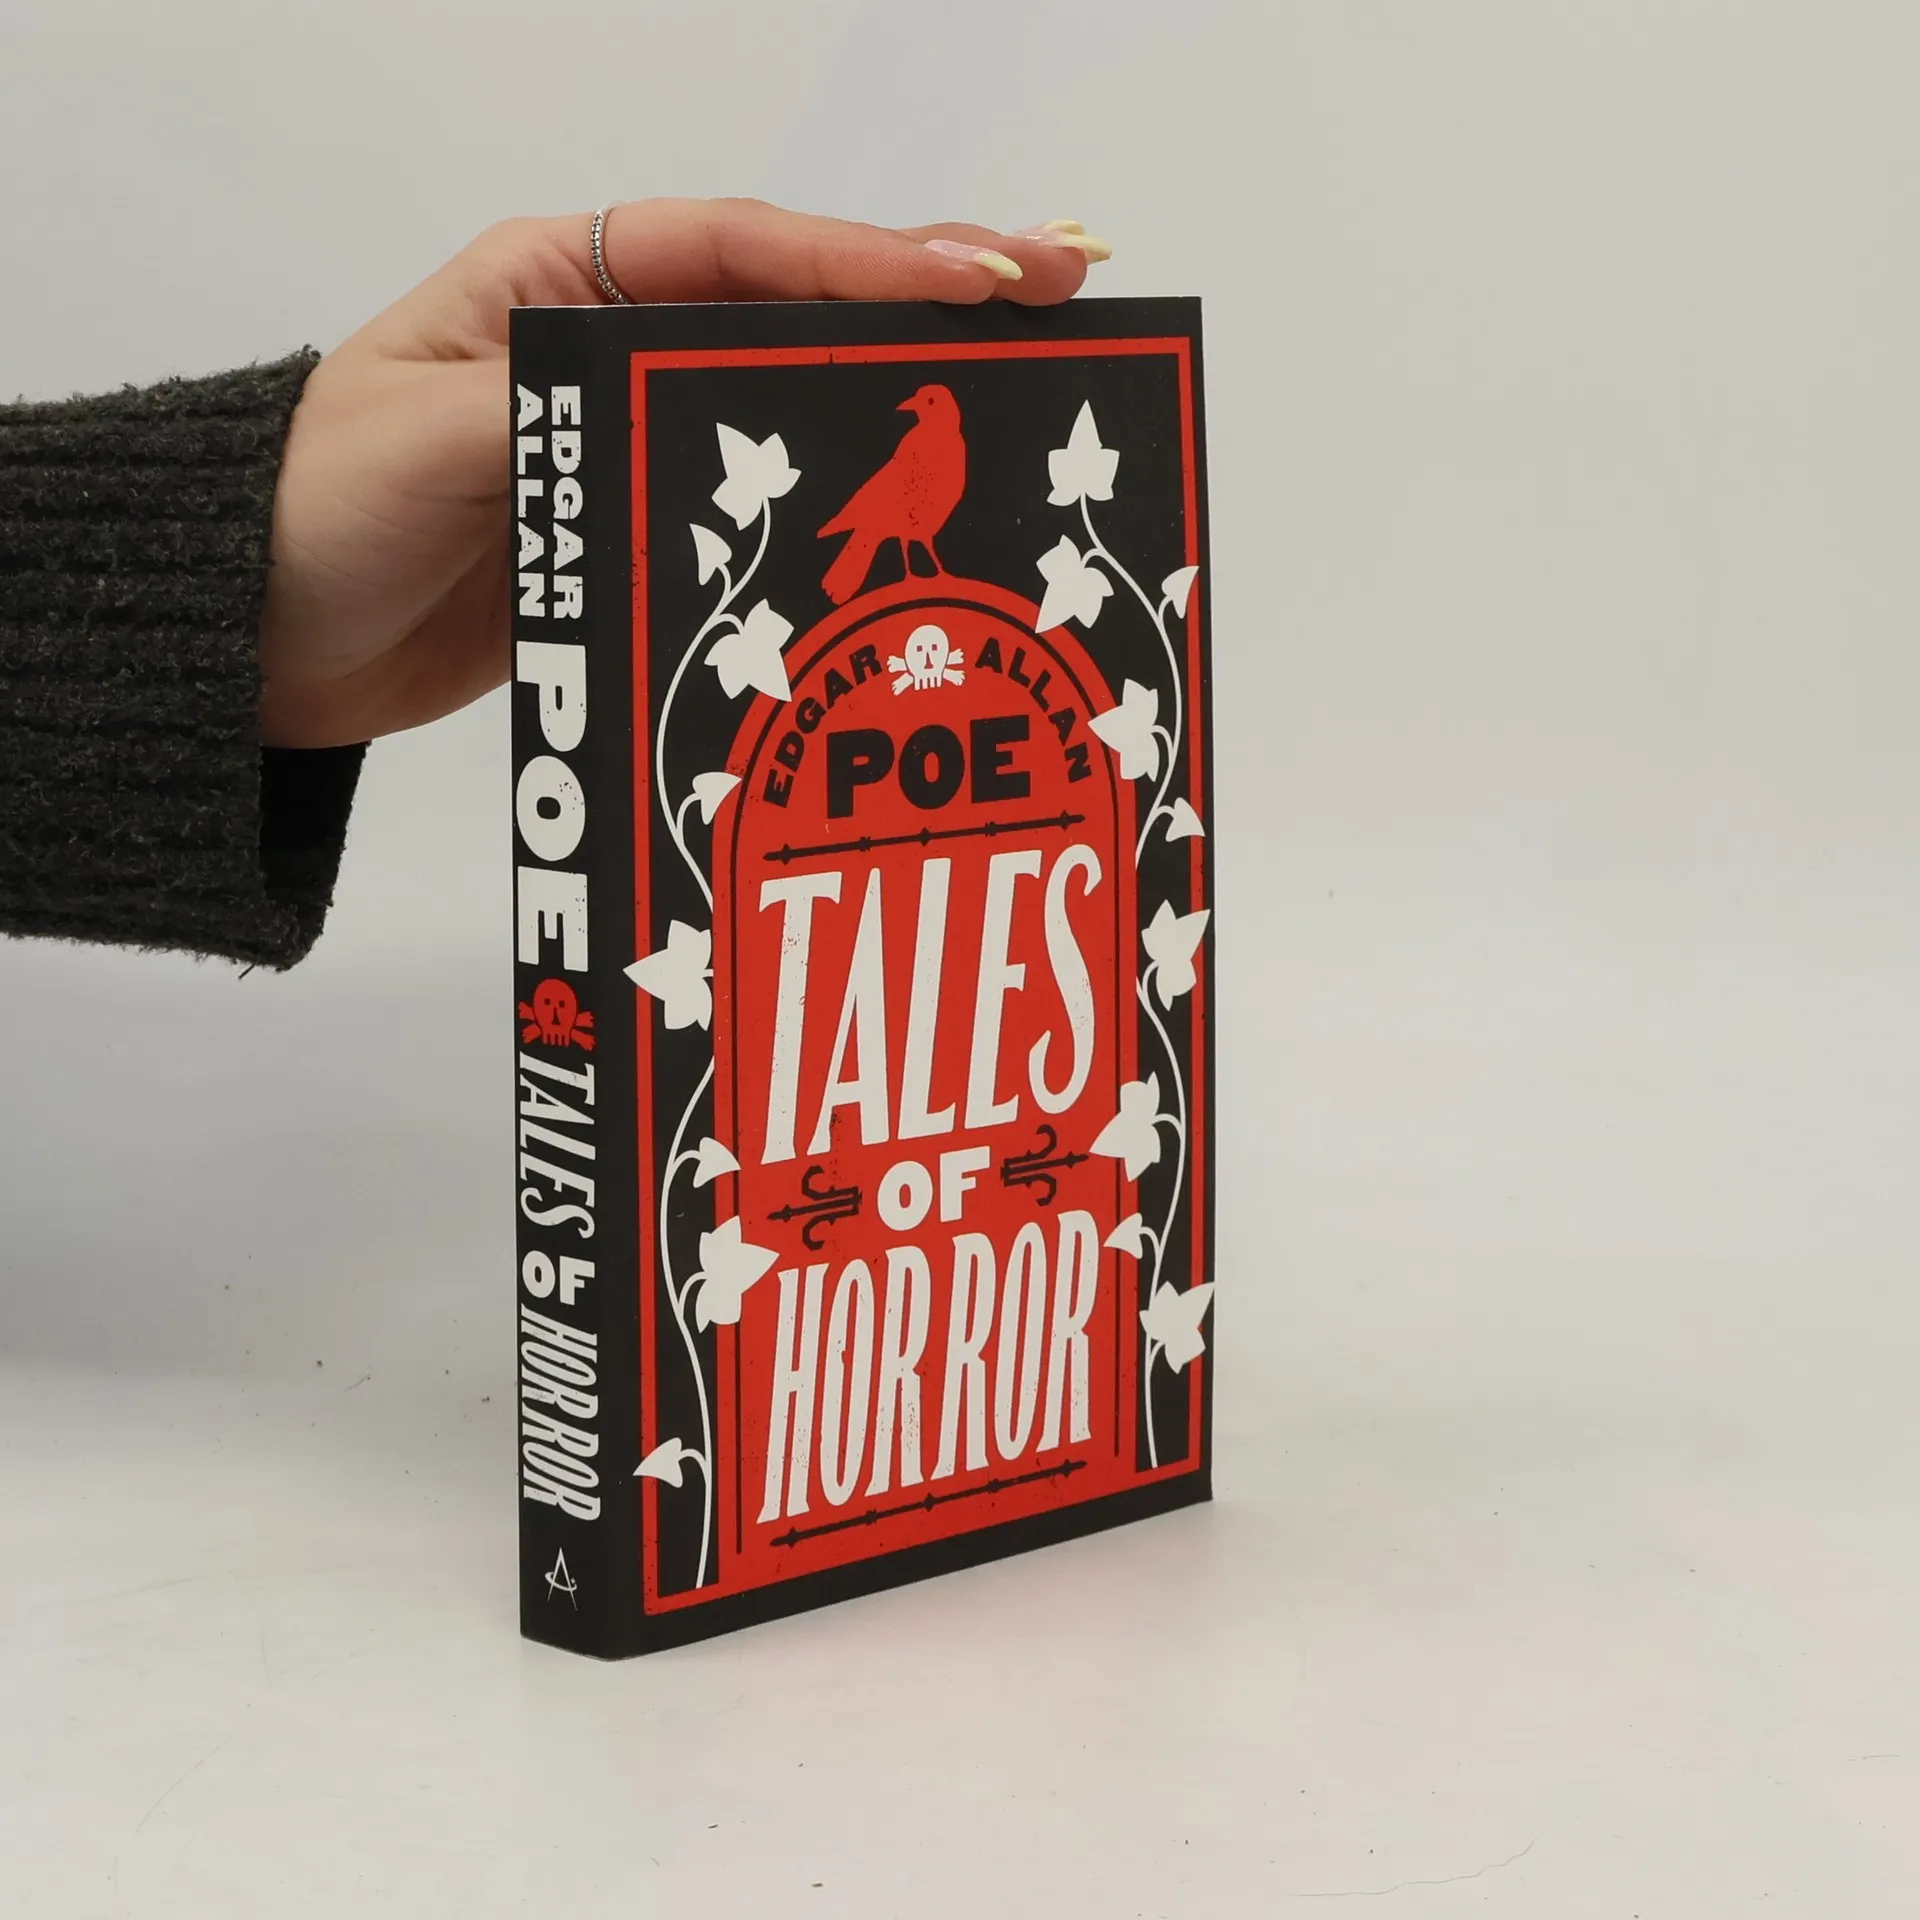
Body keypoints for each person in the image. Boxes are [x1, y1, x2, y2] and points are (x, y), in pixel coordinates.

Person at [0, 198, 1106, 967]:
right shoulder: (916, 451)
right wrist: (229, 575)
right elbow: (884, 509)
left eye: (928, 406)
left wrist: (252, 612)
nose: (921, 410)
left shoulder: (939, 447)